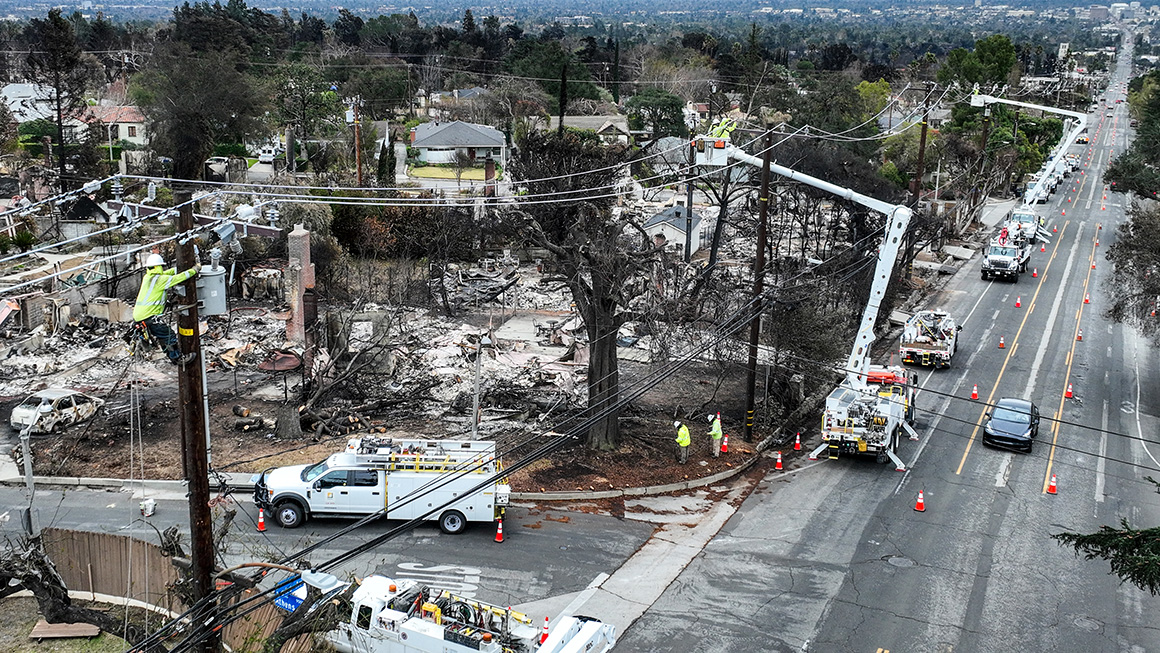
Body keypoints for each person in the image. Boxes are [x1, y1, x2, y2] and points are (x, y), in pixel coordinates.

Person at [133, 253, 200, 364]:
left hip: (139, 316)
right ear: (159, 266)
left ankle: (171, 354)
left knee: (162, 335)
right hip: (149, 316)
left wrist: (178, 268)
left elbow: (166, 273)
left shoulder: (147, 277)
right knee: (168, 334)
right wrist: (194, 270)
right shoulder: (161, 280)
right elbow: (180, 278)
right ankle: (177, 358)